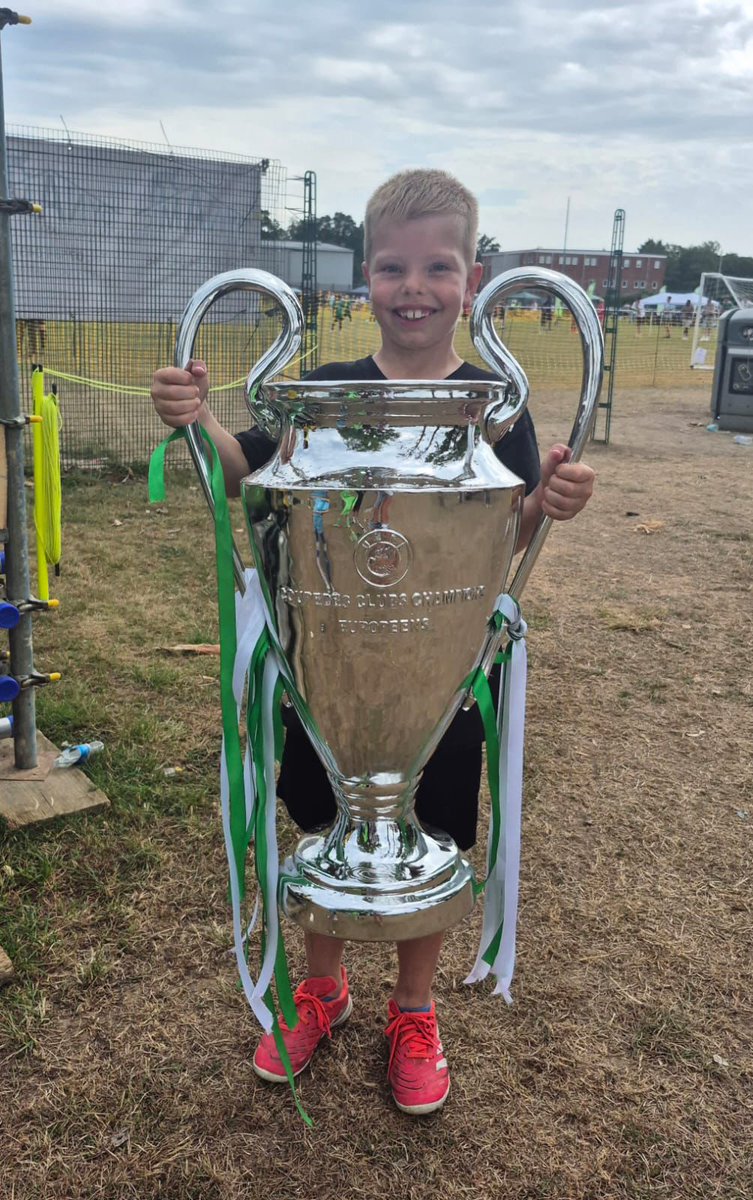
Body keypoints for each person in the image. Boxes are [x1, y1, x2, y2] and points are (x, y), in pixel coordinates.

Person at [151, 168, 596, 1117]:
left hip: (439, 677)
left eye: (438, 266)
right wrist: (192, 420)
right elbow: (247, 473)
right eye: (392, 267)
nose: (414, 287)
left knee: (428, 830)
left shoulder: (496, 403)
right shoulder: (326, 392)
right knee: (322, 817)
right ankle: (321, 989)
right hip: (332, 667)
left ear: (472, 280)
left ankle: (413, 1008)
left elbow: (509, 527)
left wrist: (546, 499)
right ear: (363, 279)